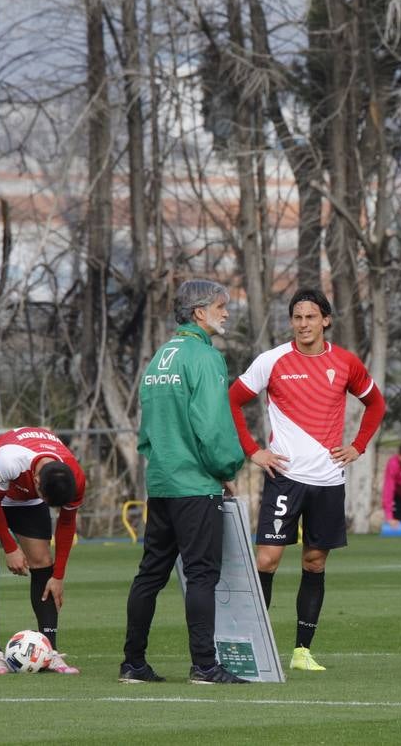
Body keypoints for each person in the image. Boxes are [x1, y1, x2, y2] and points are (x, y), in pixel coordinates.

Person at [229, 287, 386, 672]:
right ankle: (256, 643)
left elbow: (376, 403)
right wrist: (254, 451)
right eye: (297, 317)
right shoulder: (273, 360)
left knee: (314, 563)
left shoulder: (346, 362)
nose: (303, 324)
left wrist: (358, 446)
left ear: (326, 320)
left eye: (311, 317)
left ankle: (302, 651)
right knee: (266, 560)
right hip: (285, 477)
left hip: (329, 481)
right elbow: (232, 399)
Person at [121, 279, 248, 684]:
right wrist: (227, 469)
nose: (226, 313)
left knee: (150, 575)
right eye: (220, 306)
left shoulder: (160, 357)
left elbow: (145, 430)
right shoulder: (203, 357)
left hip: (161, 481)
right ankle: (204, 665)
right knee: (202, 575)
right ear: (199, 313)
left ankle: (133, 663)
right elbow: (212, 426)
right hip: (195, 485)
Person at [0, 426, 85, 675]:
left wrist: (59, 575)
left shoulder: (75, 477)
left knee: (42, 561)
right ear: (38, 482)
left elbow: (66, 523)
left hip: (27, 497)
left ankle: (49, 652)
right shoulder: (10, 459)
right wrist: (10, 547)